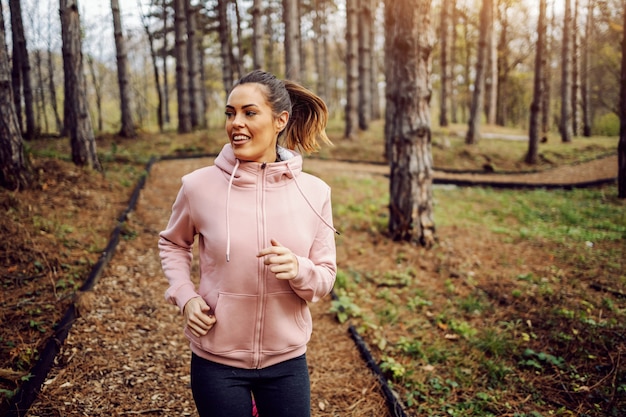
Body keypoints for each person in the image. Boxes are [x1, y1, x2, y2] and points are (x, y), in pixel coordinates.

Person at [158, 69, 338, 417]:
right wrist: (186, 296)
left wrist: (299, 269)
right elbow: (173, 243)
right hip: (217, 361)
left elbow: (325, 277)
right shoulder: (198, 186)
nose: (236, 123)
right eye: (231, 113)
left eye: (249, 112)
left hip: (286, 362)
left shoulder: (315, 193)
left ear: (280, 120)